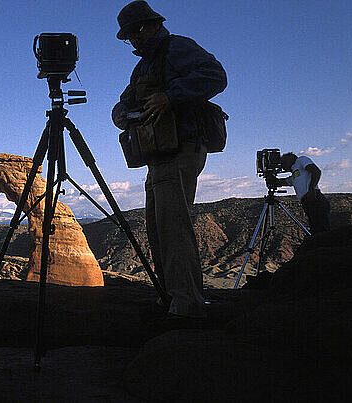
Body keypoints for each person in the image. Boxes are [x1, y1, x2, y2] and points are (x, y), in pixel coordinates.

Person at [112, 1, 227, 318]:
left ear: (149, 26)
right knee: (158, 227)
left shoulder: (178, 47)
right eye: (128, 37)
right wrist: (123, 114)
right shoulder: (143, 66)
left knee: (173, 226)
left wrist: (171, 95)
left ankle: (186, 303)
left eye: (135, 33)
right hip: (158, 154)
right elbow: (123, 104)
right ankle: (170, 296)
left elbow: (216, 76)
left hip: (182, 149)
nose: (133, 41)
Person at [275, 153, 331, 234]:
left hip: (314, 198)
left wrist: (311, 189)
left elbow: (316, 171)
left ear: (290, 158)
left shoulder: (301, 160)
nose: (283, 166)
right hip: (307, 201)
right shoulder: (295, 174)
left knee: (322, 230)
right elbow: (284, 182)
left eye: (283, 162)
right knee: (316, 229)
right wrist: (271, 179)